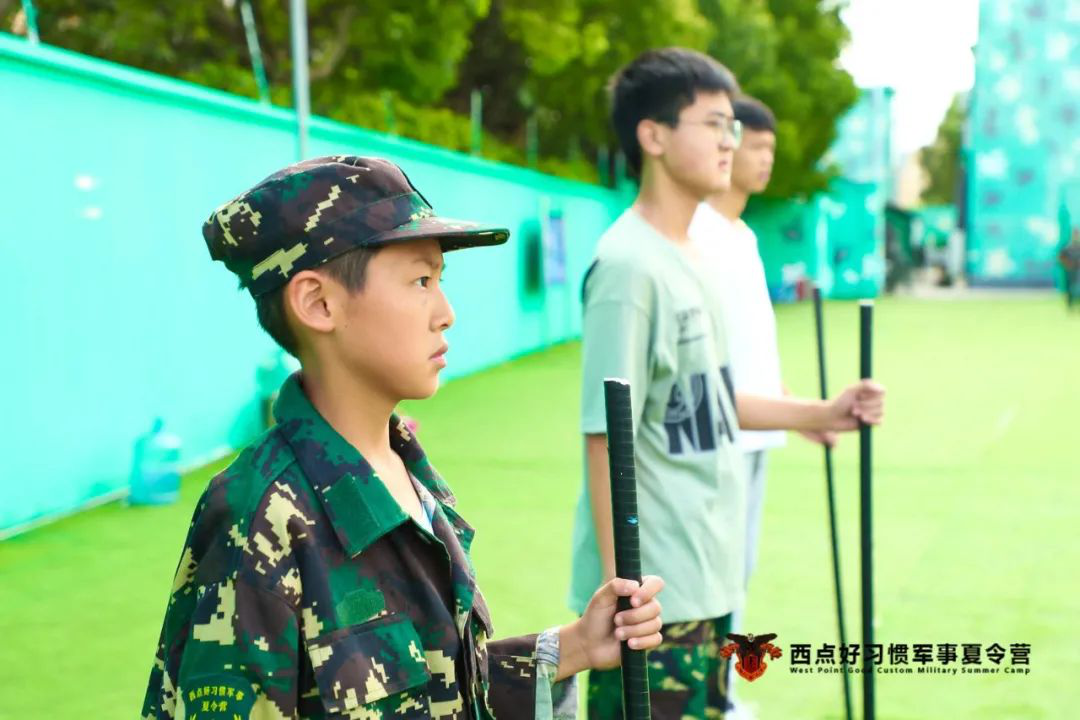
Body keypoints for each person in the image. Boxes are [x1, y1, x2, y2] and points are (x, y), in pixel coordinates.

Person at [141, 155, 666, 720]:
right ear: (319, 303)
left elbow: (436, 685)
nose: (446, 313)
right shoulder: (258, 515)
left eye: (440, 280)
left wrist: (575, 646)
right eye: (420, 281)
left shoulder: (404, 470)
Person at [568, 49, 885, 719]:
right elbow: (604, 434)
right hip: (658, 595)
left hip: (708, 574)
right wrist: (624, 593)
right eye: (712, 123)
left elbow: (709, 401)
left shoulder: (697, 256)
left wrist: (819, 410)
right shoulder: (628, 268)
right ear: (652, 136)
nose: (728, 140)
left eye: (731, 127)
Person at [688, 94, 835, 717]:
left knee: (735, 572)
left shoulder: (742, 235)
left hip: (754, 433)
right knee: (707, 577)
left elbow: (749, 349)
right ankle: (704, 694)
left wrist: (800, 412)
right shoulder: (696, 234)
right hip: (715, 437)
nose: (763, 158)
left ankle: (721, 691)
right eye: (756, 144)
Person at [1058, 229, 1080, 310]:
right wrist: (1068, 264)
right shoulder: (1068, 247)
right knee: (1070, 289)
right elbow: (1061, 257)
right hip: (1071, 272)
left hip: (1078, 271)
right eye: (1075, 234)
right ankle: (1070, 305)